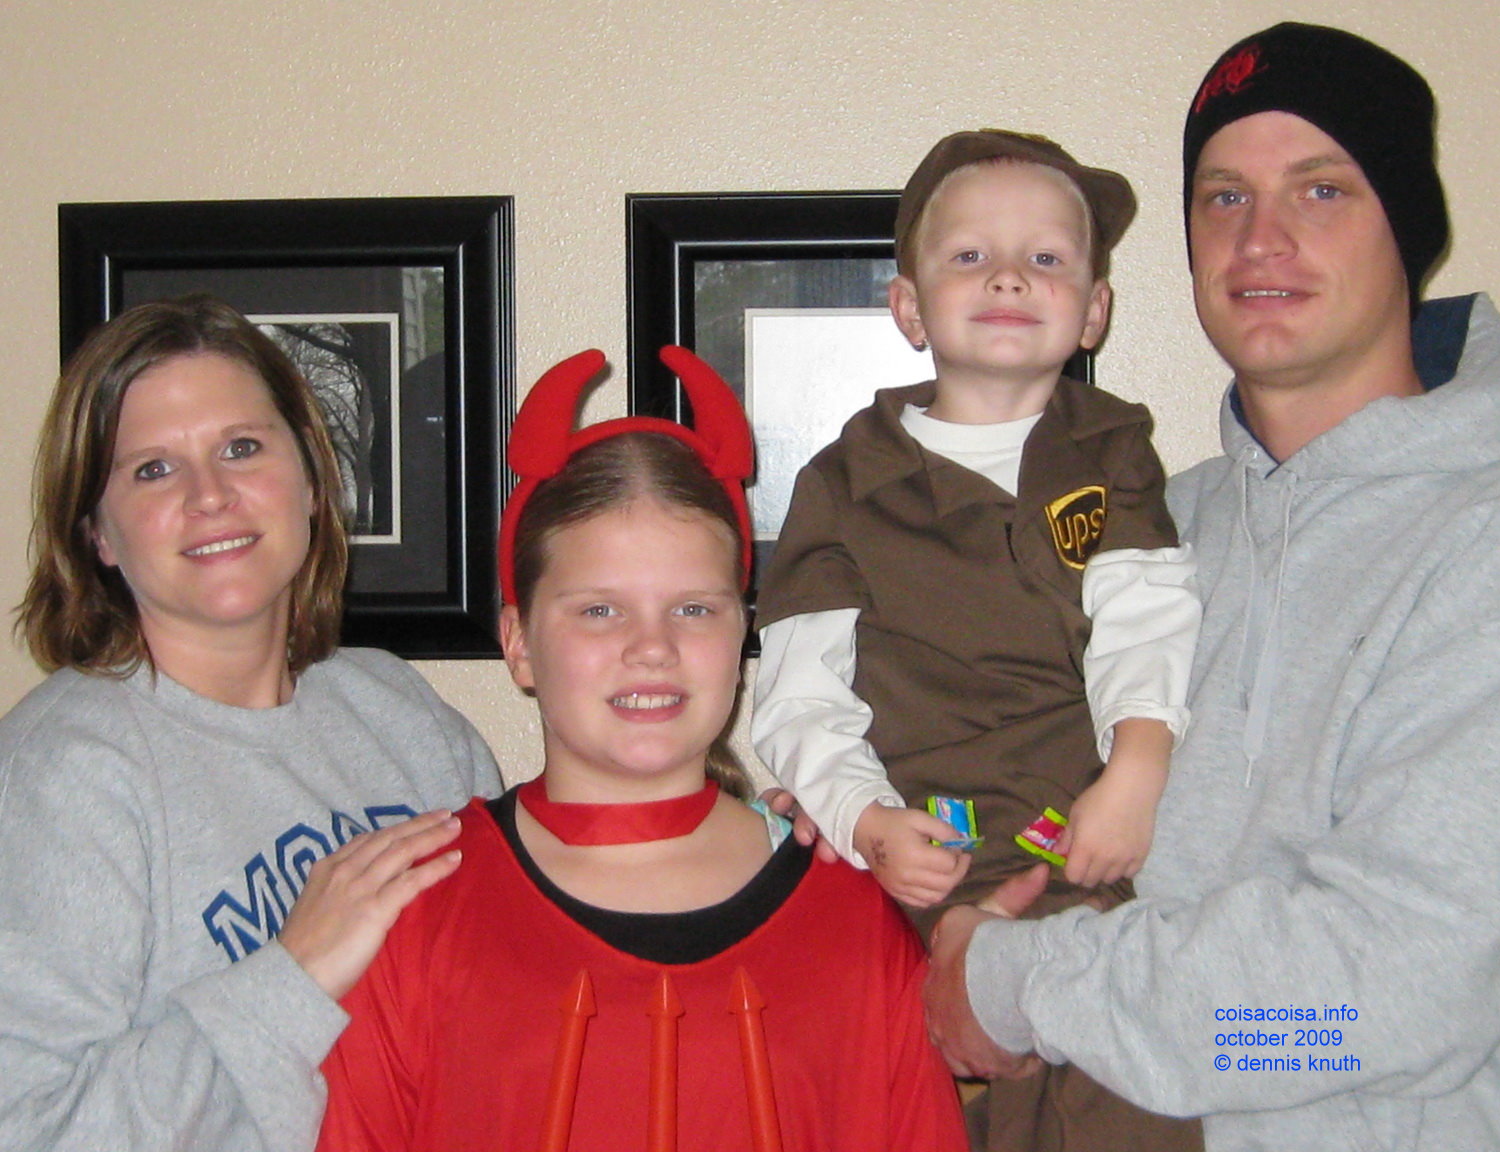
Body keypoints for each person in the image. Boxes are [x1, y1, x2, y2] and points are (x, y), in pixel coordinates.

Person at [924, 22, 1500, 1152]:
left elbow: (1387, 993)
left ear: (1409, 225)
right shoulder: (1154, 527)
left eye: (1321, 190)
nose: (1262, 239)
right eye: (1223, 196)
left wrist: (1017, 987)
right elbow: (1017, 792)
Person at [316, 346, 967, 1151]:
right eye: (599, 611)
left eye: (694, 609)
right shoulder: (418, 913)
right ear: (518, 643)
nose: (652, 647)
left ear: (743, 630)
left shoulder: (849, 914)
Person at [751, 129, 1202, 1150]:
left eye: (1046, 257)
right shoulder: (847, 481)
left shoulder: (1110, 448)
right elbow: (800, 687)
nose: (1008, 274)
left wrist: (1137, 767)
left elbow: (1145, 611)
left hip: (1088, 849)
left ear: (1093, 310)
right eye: (969, 256)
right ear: (908, 307)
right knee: (890, 1090)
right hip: (915, 861)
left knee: (1123, 1093)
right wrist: (864, 821)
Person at [0, 295, 502, 1151]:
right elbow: (32, 1126)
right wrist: (296, 975)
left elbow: (529, 954)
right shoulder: (65, 773)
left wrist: (761, 840)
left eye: (241, 447)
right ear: (99, 536)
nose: (210, 495)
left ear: (311, 480)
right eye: (153, 469)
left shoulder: (398, 713)